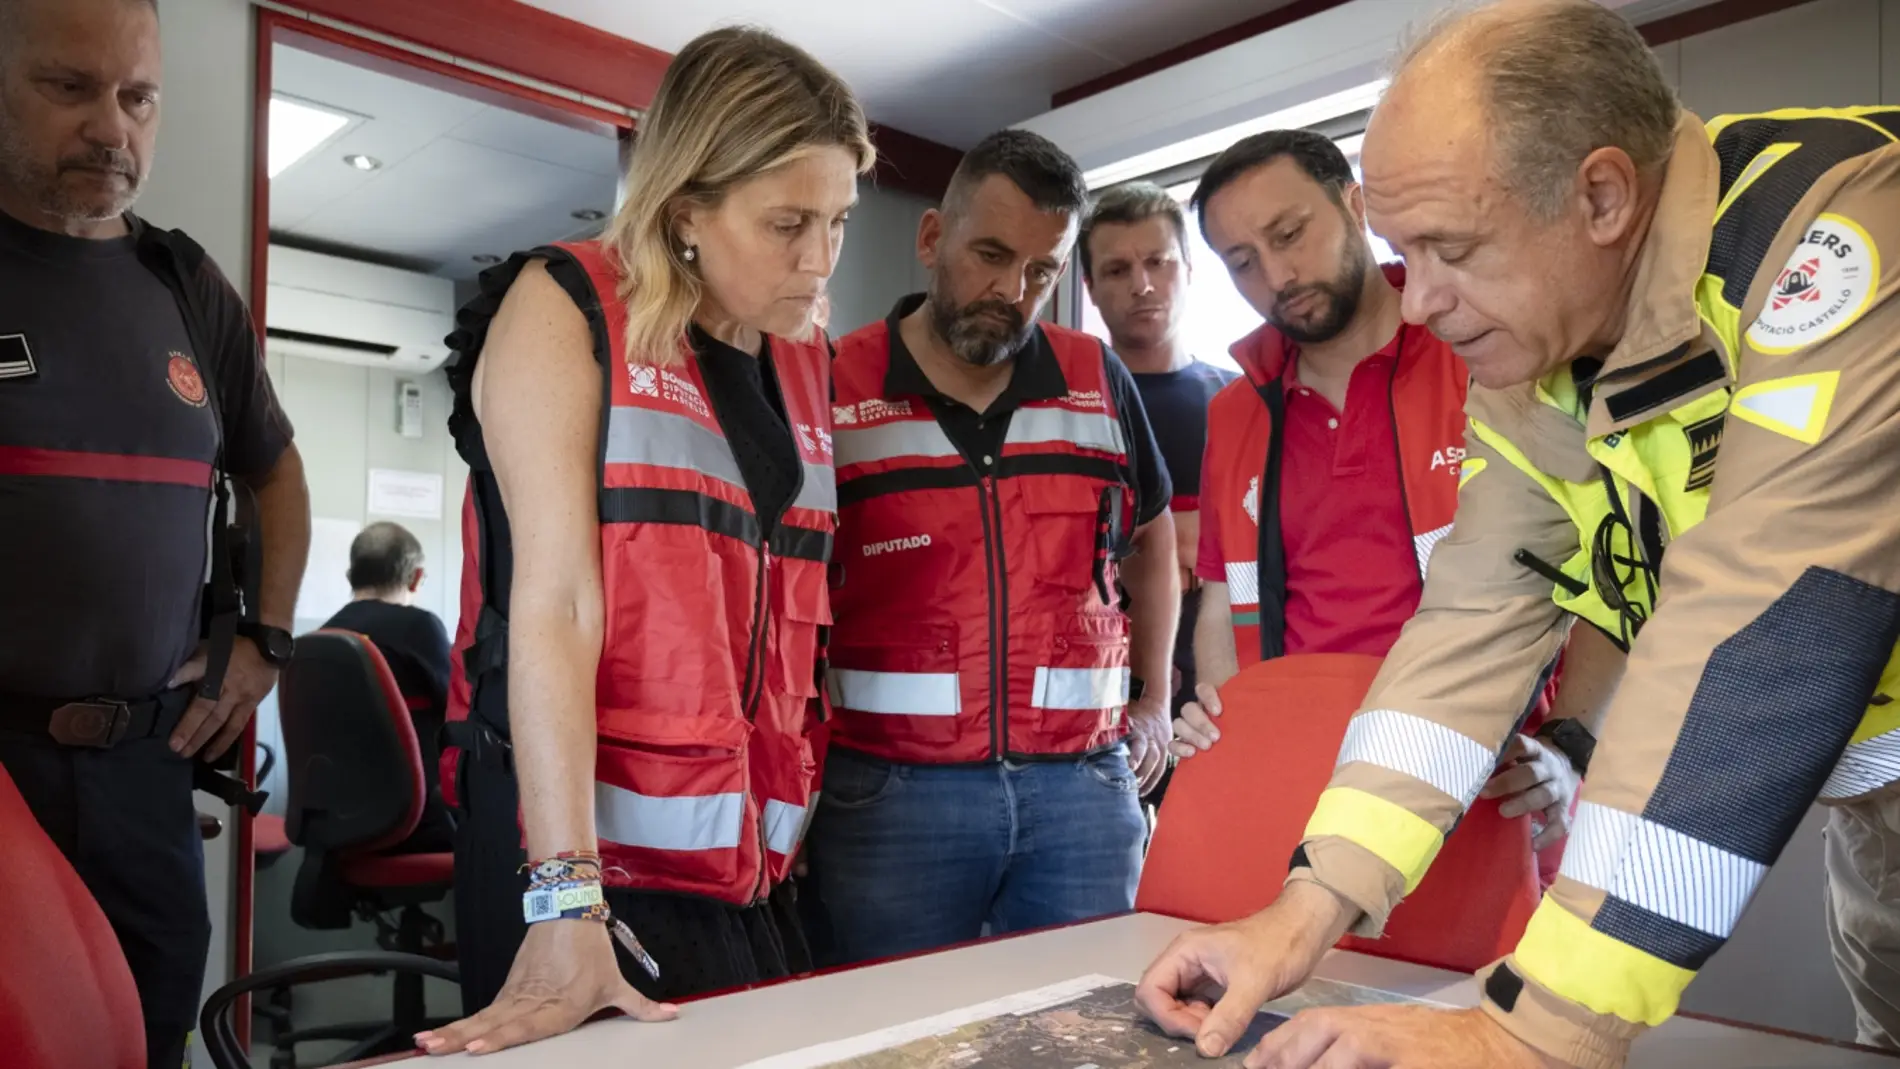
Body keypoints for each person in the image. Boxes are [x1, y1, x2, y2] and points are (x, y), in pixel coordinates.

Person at [1134, 2, 1900, 1067]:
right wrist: (1305, 906)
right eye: (1406, 253)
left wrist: (1531, 1032)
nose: (1419, 305)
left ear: (1600, 195)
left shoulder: (1842, 236)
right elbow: (1474, 619)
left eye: (1449, 250)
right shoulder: (1542, 338)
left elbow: (1767, 622)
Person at [416, 26, 872, 1057]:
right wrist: (565, 902)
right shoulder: (562, 308)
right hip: (578, 855)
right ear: (686, 213)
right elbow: (558, 605)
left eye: (837, 221)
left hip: (739, 863)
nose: (820, 257)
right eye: (788, 222)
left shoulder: (803, 357)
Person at [1164, 130, 1620, 863]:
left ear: (1356, 205)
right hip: (1305, 794)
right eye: (1242, 263)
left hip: (1491, 781)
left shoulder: (1486, 353)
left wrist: (1570, 743)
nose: (1277, 275)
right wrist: (1228, 728)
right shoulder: (1235, 409)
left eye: (1290, 234)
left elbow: (1614, 568)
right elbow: (1222, 595)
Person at [0, 0, 311, 1065]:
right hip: (3, 773)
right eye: (70, 88)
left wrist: (263, 643)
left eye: (137, 98)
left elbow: (274, 468)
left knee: (149, 1029)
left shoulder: (183, 285)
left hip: (145, 772)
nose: (111, 127)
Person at [811, 129, 1178, 965]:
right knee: (894, 1038)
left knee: (1084, 1032)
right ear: (932, 238)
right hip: (892, 795)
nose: (1010, 291)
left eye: (1041, 272)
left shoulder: (1097, 375)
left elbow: (1153, 534)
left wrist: (1155, 695)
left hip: (1081, 787)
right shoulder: (834, 382)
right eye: (990, 254)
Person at [1079, 182, 1236, 739]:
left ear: (1189, 268)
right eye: (1118, 270)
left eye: (1158, 262)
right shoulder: (1066, 410)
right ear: (1090, 288)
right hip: (1097, 679)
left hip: (1231, 678)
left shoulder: (1244, 403)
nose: (1142, 284)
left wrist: (1174, 543)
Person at [321, 521, 454, 852]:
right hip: (414, 818)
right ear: (416, 577)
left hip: (337, 815)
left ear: (351, 575)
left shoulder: (325, 636)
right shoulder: (419, 627)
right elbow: (460, 709)